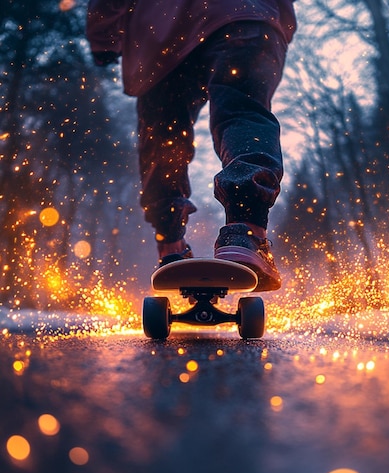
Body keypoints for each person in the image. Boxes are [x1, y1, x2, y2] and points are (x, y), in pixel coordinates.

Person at [87, 0, 297, 291]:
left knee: (163, 137)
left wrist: (104, 40)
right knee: (242, 110)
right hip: (245, 16)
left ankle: (170, 245)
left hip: (162, 32)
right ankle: (245, 233)